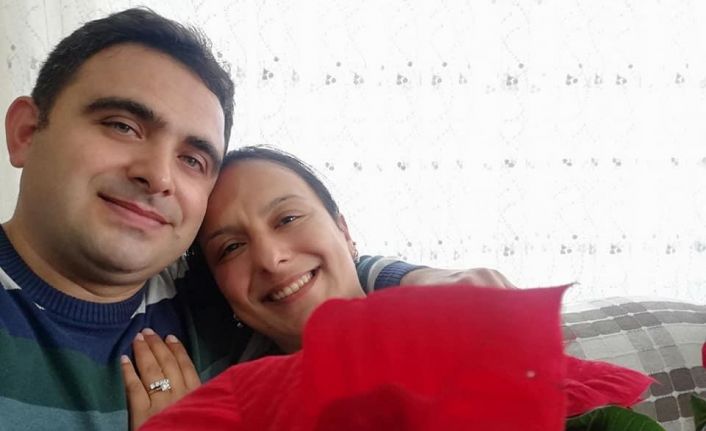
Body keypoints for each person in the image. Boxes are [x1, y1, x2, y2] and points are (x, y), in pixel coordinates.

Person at [0, 9, 425, 431]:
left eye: (192, 159)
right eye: (122, 126)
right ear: (26, 132)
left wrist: (419, 283)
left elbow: (319, 282)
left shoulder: (213, 300)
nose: (159, 177)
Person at [122, 146, 517, 428]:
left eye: (288, 219)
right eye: (231, 248)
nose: (270, 258)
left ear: (344, 231)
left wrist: (411, 280)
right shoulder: (236, 392)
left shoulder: (458, 342)